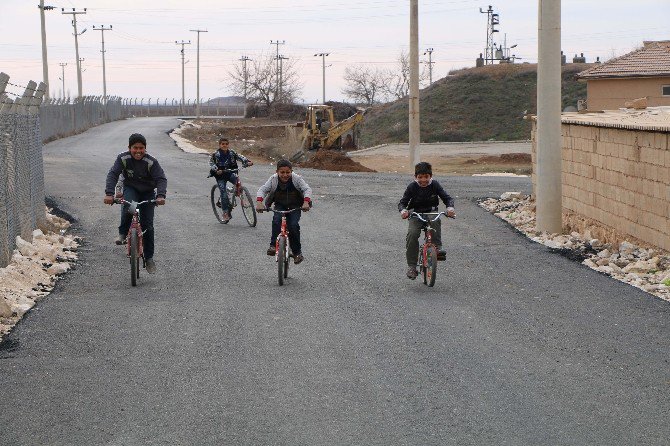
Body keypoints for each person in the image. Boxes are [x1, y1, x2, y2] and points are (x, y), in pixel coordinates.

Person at [104, 133, 167, 274]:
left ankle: (149, 258)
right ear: (129, 147)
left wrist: (161, 195)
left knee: (148, 225)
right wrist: (109, 194)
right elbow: (113, 174)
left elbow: (161, 179)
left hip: (148, 192)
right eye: (135, 148)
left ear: (145, 148)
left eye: (141, 148)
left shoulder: (151, 162)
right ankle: (122, 233)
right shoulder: (123, 158)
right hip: (131, 189)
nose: (138, 151)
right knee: (130, 207)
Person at [398, 161, 455, 280]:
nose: (423, 180)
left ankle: (437, 248)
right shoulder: (412, 187)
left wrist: (450, 208)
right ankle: (412, 267)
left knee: (435, 220)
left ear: (431, 176)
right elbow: (402, 202)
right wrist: (403, 211)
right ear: (415, 177)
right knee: (412, 234)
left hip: (430, 211)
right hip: (415, 213)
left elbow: (447, 198)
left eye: (426, 177)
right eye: (420, 177)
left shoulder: (435, 185)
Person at [256, 159, 312, 264]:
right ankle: (273, 246)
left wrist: (306, 202)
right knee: (276, 220)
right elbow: (263, 189)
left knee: (293, 225)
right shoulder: (273, 179)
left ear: (291, 171)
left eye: (288, 172)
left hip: (295, 205)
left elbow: (307, 189)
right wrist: (259, 202)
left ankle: (297, 253)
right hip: (280, 204)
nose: (285, 175)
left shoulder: (297, 179)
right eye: (282, 172)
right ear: (276, 172)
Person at [209, 137, 253, 223]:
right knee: (223, 193)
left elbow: (240, 157)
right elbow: (211, 163)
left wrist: (247, 161)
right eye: (223, 144)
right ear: (220, 145)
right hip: (220, 175)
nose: (224, 145)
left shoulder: (232, 153)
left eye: (226, 144)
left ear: (228, 145)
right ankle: (225, 212)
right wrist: (216, 170)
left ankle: (241, 196)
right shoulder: (216, 154)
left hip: (230, 173)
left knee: (238, 182)